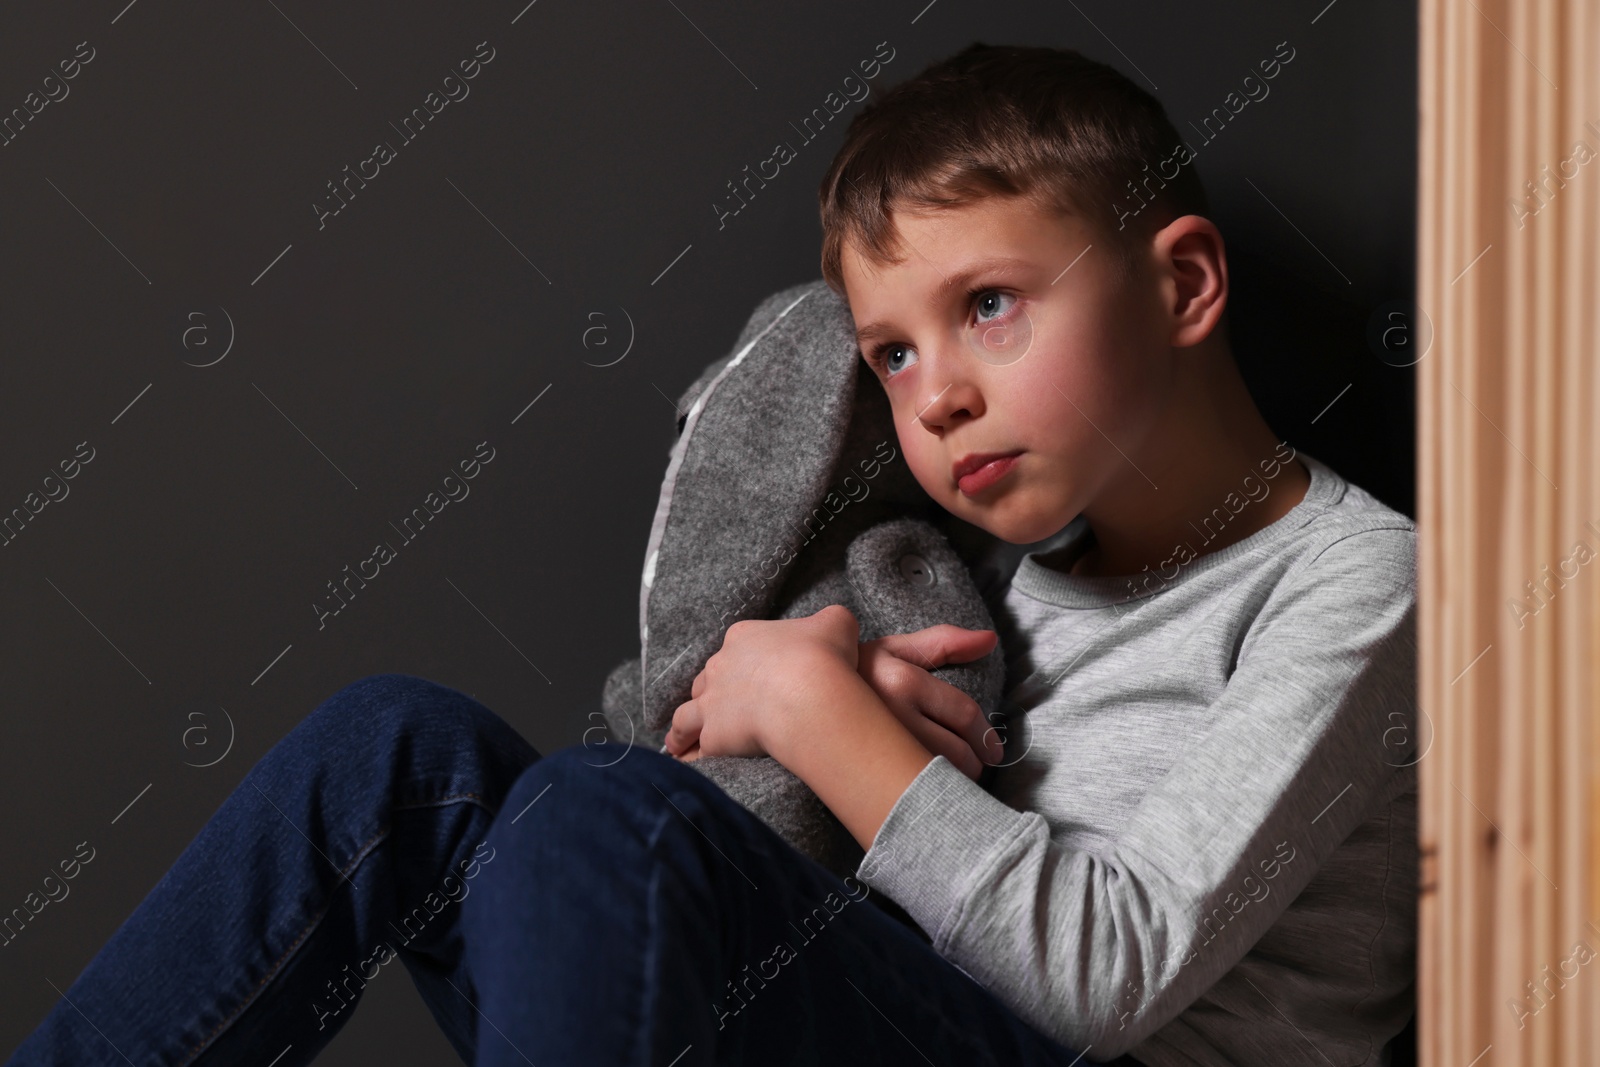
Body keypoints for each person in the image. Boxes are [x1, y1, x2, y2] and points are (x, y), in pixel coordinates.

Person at [7, 42, 1416, 1067]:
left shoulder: (1353, 584)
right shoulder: (975, 577)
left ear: (1180, 284)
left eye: (990, 304)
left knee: (611, 810)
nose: (936, 393)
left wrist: (820, 716)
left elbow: (1102, 980)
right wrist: (829, 690)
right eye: (892, 350)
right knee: (399, 753)